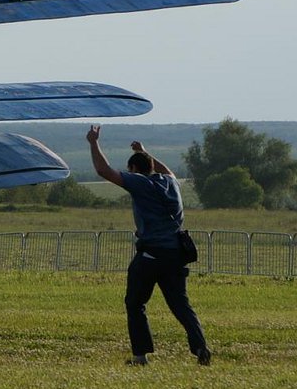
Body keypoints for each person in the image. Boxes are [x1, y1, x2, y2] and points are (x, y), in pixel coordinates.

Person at [87, 125, 211, 366]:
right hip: (176, 255)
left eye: (130, 170)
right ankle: (201, 348)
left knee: (135, 304)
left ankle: (140, 356)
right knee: (181, 305)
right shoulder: (171, 183)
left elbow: (104, 170)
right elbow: (167, 171)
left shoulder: (140, 183)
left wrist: (93, 142)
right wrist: (145, 152)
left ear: (134, 170)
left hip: (150, 256)